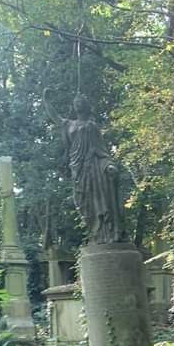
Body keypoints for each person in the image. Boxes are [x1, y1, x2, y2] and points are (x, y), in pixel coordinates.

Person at [43, 89, 126, 243]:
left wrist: (109, 165)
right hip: (78, 170)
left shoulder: (91, 126)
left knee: (101, 201)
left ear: (86, 106)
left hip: (94, 168)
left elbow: (102, 151)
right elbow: (56, 118)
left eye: (80, 103)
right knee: (83, 204)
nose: (77, 105)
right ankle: (95, 233)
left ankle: (107, 232)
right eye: (75, 103)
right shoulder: (69, 124)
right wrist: (46, 102)